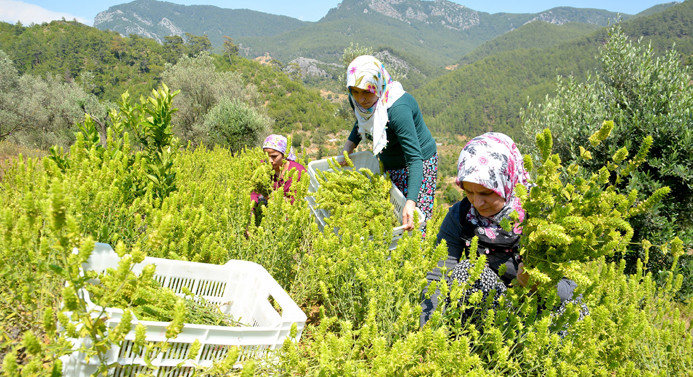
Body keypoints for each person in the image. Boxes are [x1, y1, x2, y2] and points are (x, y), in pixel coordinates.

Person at [419, 132, 587, 327]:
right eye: (469, 192)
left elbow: (571, 287)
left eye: (486, 192)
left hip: (543, 307)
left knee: (573, 313)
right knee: (467, 271)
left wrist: (542, 285)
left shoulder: (543, 214)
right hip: (496, 307)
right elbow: (438, 275)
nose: (478, 203)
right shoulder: (461, 215)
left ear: (507, 182)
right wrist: (428, 330)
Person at [341, 55, 438, 232]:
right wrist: (349, 145)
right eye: (355, 91)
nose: (361, 99)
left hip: (418, 164)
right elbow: (362, 121)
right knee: (391, 217)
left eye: (367, 92)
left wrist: (411, 201)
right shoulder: (355, 99)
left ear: (378, 85)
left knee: (413, 222)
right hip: (390, 161)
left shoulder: (398, 109)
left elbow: (414, 159)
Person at [251, 134, 306, 207]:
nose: (269, 160)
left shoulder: (298, 171)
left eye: (274, 156)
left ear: (284, 154)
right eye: (266, 155)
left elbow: (298, 201)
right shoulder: (261, 167)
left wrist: (278, 199)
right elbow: (253, 193)